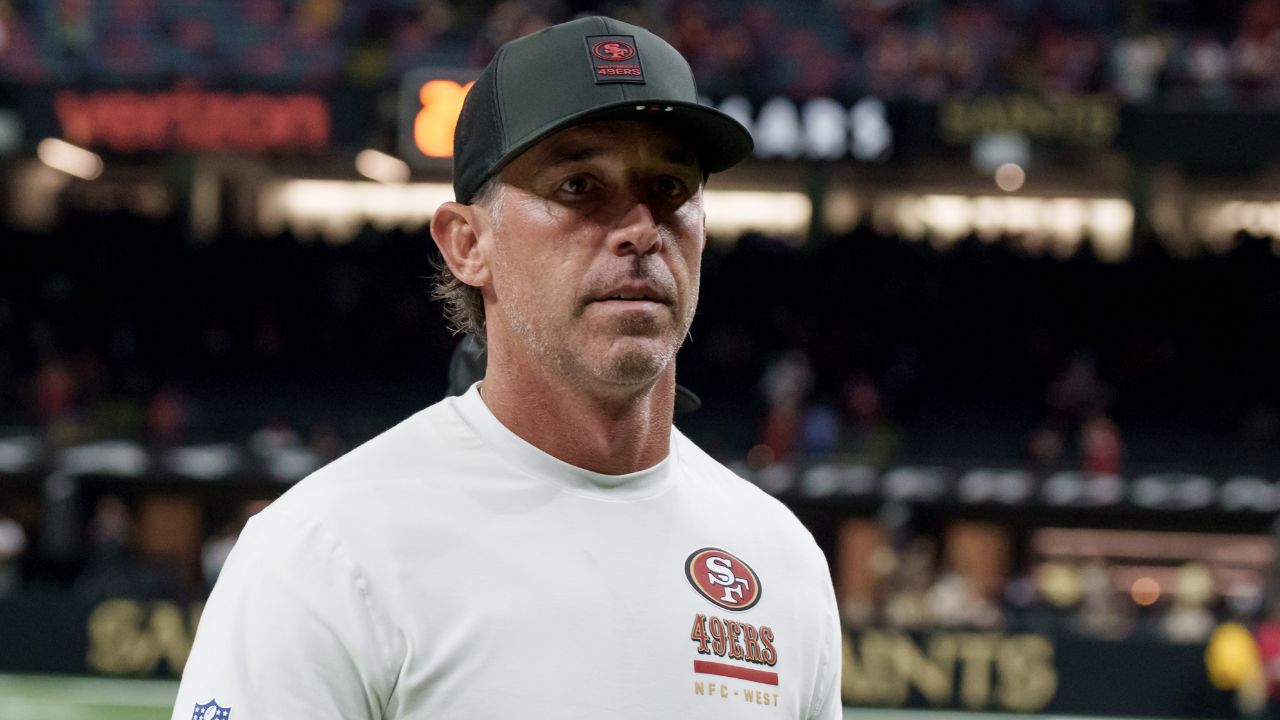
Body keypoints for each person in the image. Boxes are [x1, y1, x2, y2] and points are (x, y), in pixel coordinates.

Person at [172, 15, 841, 720]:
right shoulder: (326, 551)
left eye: (672, 187)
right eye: (580, 186)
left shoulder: (779, 558)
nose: (643, 229)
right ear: (467, 244)